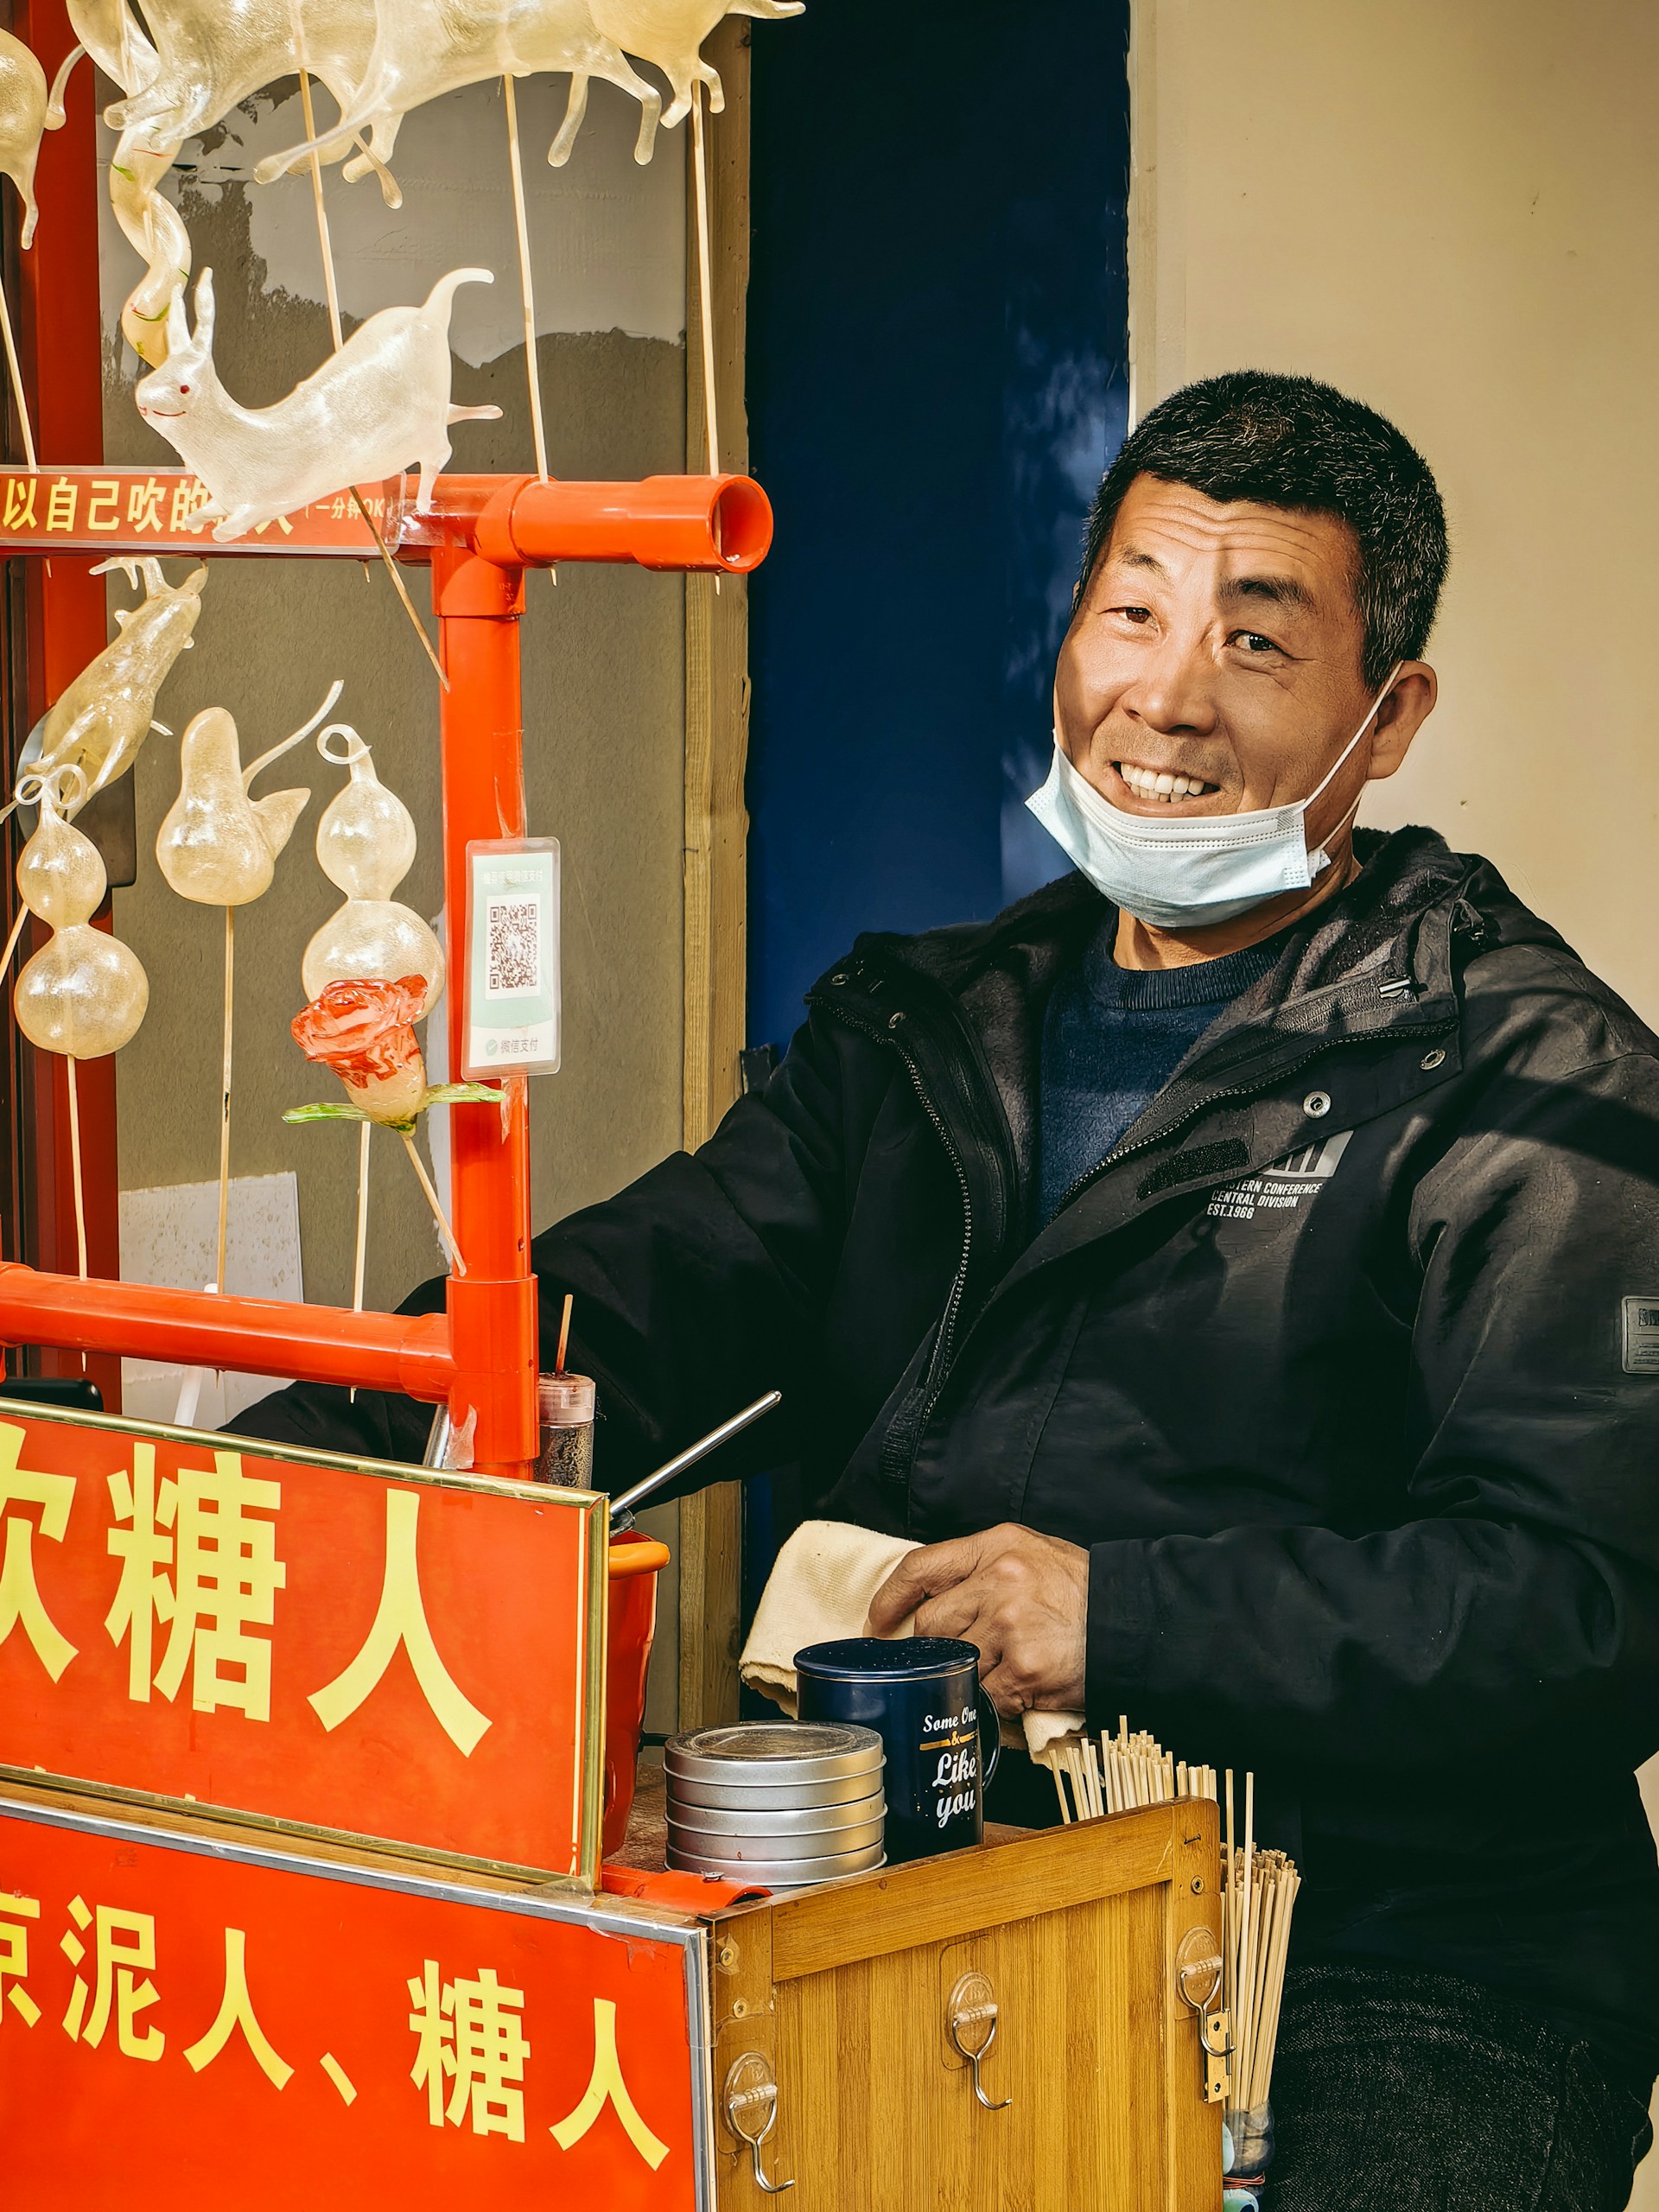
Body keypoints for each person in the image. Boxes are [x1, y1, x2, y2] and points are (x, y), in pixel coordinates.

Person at [232, 372, 1659, 2210]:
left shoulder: (1533, 1080)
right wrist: (285, 1484)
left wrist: (1123, 1615)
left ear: (1389, 718)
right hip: (961, 1890)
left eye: (1256, 637)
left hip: (1407, 1966)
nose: (1171, 694)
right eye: (1132, 611)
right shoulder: (927, 1026)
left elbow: (1587, 1603)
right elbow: (639, 1307)